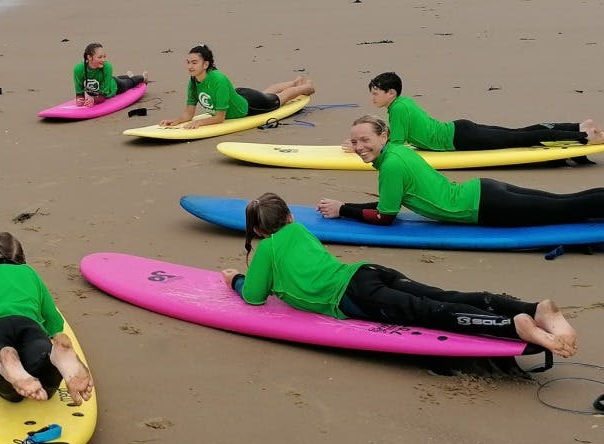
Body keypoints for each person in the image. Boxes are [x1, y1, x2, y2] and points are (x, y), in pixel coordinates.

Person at [221, 193, 577, 357]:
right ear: (289, 218)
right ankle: (535, 308)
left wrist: (235, 278)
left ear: (260, 231)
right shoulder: (298, 231)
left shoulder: (265, 248)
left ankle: (509, 326)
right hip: (368, 272)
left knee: (430, 313)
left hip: (354, 297)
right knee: (443, 296)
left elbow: (254, 296)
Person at [318, 115, 604, 227]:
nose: (358, 147)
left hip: (484, 205)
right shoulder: (397, 152)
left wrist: (343, 209)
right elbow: (387, 205)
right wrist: (345, 206)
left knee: (567, 209)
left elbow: (384, 216)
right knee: (564, 202)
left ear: (383, 137)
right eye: (354, 141)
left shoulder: (391, 165)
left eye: (365, 140)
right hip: (483, 192)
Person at [0, 232, 94, 404]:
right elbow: (54, 321)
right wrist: (52, 334)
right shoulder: (29, 273)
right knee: (44, 372)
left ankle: (4, 362)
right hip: (28, 325)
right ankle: (54, 356)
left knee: (4, 380)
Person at [366, 71, 604, 151]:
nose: (373, 97)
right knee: (518, 133)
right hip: (459, 129)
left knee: (521, 137)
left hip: (459, 138)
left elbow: (395, 145)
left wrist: (365, 147)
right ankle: (578, 126)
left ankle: (583, 136)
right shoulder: (403, 103)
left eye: (376, 93)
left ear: (391, 94)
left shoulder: (397, 109)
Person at [159, 44, 314, 129]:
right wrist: (176, 121)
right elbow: (188, 114)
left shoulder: (218, 80)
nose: (190, 66)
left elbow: (220, 118)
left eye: (194, 62)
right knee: (267, 93)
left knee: (279, 98)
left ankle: (306, 86)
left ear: (205, 64)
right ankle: (294, 81)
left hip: (249, 106)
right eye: (188, 62)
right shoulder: (193, 81)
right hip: (237, 95)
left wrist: (200, 123)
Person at [74, 42, 146, 107]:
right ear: (89, 57)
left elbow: (102, 96)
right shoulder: (78, 69)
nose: (103, 60)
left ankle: (143, 77)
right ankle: (127, 76)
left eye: (104, 56)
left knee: (128, 83)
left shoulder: (107, 67)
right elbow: (79, 92)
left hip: (115, 87)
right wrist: (80, 99)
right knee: (113, 78)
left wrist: (94, 99)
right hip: (107, 80)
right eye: (100, 57)